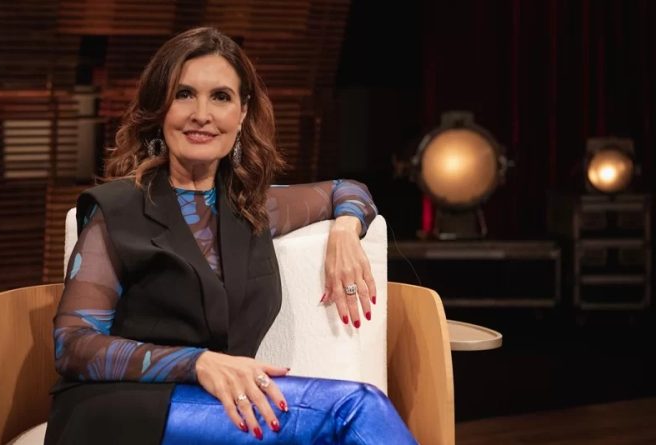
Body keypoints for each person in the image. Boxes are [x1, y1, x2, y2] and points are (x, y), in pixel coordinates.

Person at [45, 27, 416, 445]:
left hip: (219, 403)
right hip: (123, 411)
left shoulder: (252, 208)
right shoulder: (117, 210)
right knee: (353, 407)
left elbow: (346, 190)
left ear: (241, 113)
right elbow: (72, 345)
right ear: (159, 107)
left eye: (220, 97)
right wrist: (197, 363)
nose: (201, 114)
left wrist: (346, 230)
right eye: (184, 94)